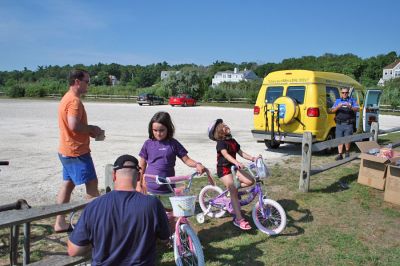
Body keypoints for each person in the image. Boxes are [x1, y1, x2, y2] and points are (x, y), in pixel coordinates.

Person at [68, 154, 170, 265]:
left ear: (114, 176)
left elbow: (74, 250)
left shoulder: (93, 206)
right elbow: (165, 239)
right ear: (139, 177)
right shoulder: (153, 204)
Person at [137, 111, 208, 231]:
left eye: (161, 130)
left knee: (171, 214)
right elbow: (141, 166)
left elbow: (186, 160)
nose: (158, 133)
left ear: (168, 129)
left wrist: (197, 164)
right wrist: (138, 183)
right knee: (149, 214)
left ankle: (171, 236)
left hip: (168, 189)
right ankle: (151, 237)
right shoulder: (148, 144)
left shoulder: (173, 144)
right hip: (150, 189)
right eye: (155, 130)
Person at [54, 69, 104, 233]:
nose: (88, 84)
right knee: (92, 186)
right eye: (87, 81)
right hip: (77, 152)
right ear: (77, 81)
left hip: (66, 150)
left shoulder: (66, 98)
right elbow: (73, 125)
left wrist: (89, 131)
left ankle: (60, 223)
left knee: (68, 185)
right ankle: (94, 226)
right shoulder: (74, 101)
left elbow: (72, 127)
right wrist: (93, 128)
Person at [208, 118, 257, 230]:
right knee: (234, 191)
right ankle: (239, 219)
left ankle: (232, 191)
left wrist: (253, 158)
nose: (226, 126)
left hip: (234, 167)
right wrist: (236, 162)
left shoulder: (232, 141)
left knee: (251, 181)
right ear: (219, 132)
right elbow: (226, 155)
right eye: (223, 126)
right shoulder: (220, 143)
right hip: (224, 170)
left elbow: (241, 152)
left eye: (225, 124)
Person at [330, 87, 359, 161]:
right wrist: (338, 107)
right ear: (341, 93)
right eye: (343, 92)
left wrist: (351, 107)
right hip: (339, 124)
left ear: (348, 93)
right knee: (339, 139)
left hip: (348, 124)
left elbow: (357, 109)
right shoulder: (337, 101)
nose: (344, 94)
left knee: (347, 139)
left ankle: (347, 152)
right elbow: (332, 110)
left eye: (346, 92)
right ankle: (340, 154)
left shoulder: (352, 100)